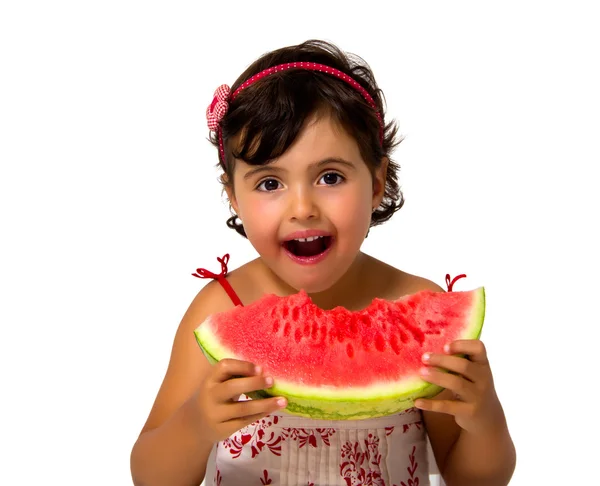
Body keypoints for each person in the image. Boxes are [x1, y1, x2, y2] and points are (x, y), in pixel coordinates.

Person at [130, 40, 516, 486]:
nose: (302, 207)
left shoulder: (419, 304)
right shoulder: (220, 308)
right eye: (270, 182)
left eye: (329, 177)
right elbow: (149, 474)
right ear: (233, 196)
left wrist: (485, 419)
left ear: (375, 184)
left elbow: (474, 479)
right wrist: (196, 424)